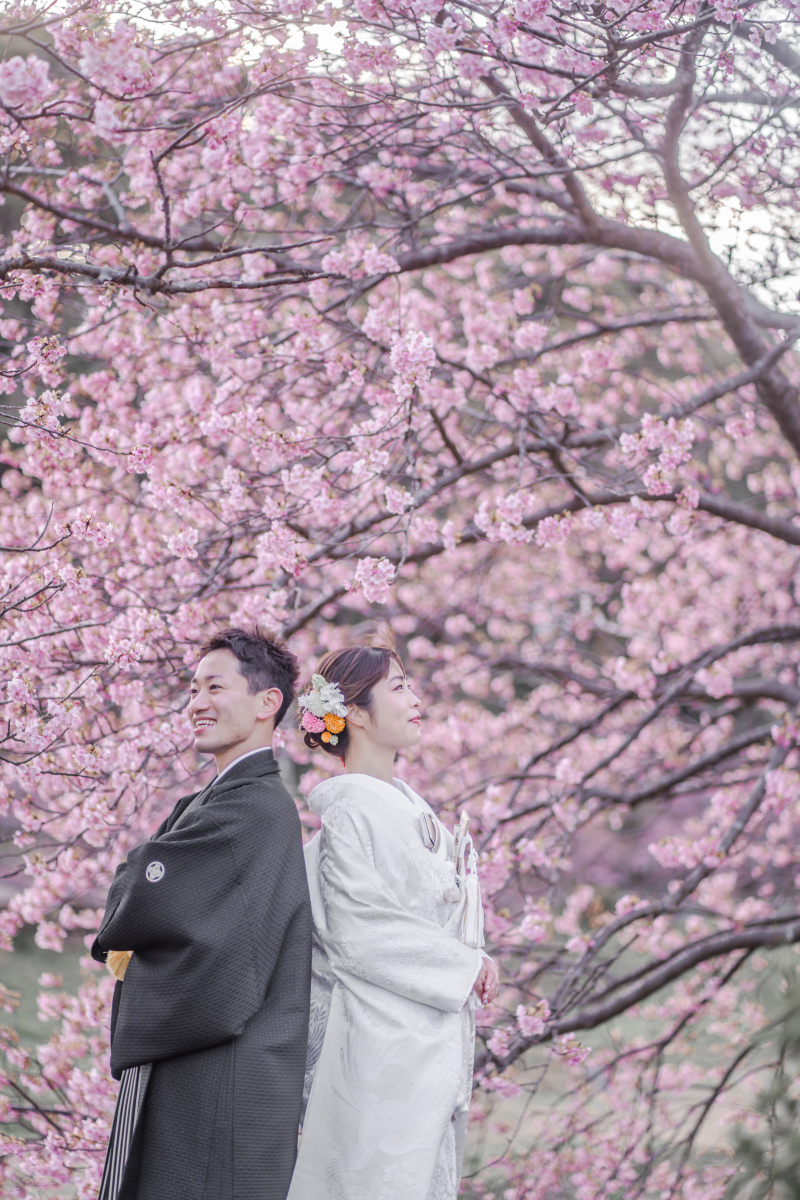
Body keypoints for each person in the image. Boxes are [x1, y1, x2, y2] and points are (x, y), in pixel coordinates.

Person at [92, 626, 312, 1200]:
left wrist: (137, 887)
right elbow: (146, 890)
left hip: (223, 1075)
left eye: (215, 687)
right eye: (193, 689)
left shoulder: (257, 808)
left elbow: (140, 890)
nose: (196, 703)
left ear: (268, 703)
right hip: (206, 1063)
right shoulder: (219, 801)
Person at [288, 631, 500, 1200]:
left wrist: (470, 951)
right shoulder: (350, 814)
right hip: (378, 1048)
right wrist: (462, 964)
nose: (416, 700)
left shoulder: (409, 809)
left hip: (421, 1041)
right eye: (400, 688)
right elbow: (357, 930)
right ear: (356, 713)